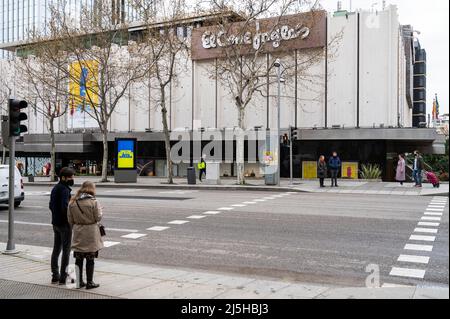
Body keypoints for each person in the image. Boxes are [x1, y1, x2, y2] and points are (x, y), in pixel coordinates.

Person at [67, 181, 103, 289]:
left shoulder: (73, 202)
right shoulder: (93, 202)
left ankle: (78, 282)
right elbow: (98, 217)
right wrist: (101, 211)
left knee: (79, 258)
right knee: (90, 258)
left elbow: (70, 219)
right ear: (91, 189)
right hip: (91, 232)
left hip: (78, 231)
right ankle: (89, 282)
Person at [49, 167, 75, 285]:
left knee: (56, 249)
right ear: (64, 177)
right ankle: (63, 277)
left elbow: (51, 205)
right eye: (70, 177)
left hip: (55, 223)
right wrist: (70, 220)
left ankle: (55, 275)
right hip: (64, 224)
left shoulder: (55, 188)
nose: (72, 179)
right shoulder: (64, 189)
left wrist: (56, 216)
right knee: (66, 250)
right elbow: (65, 207)